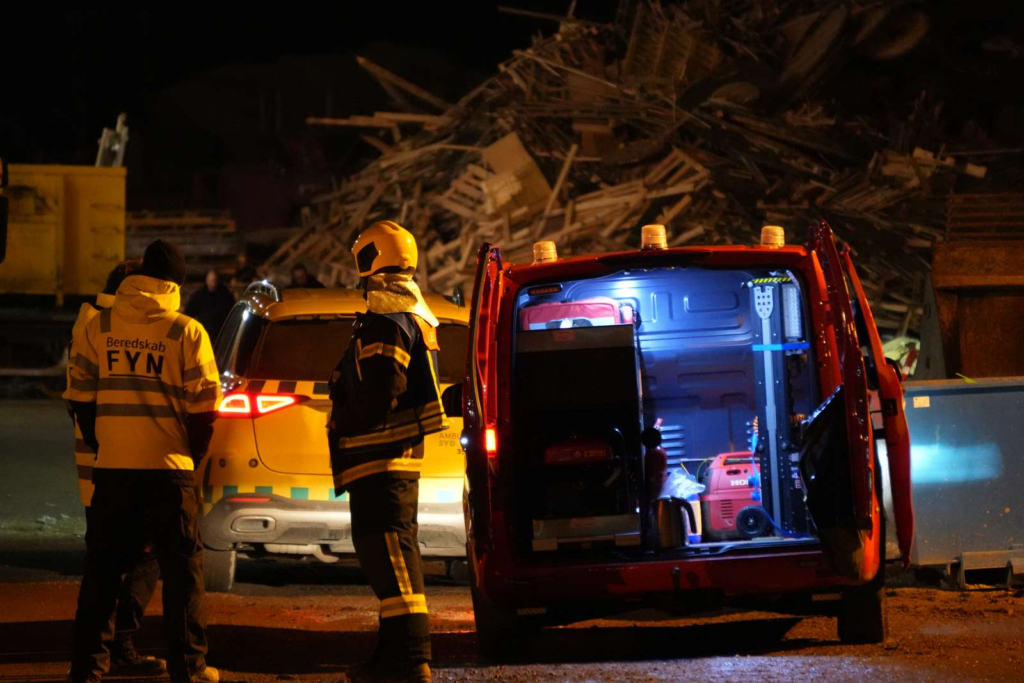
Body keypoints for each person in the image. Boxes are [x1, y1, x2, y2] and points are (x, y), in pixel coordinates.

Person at [66, 239, 222, 683]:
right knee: (182, 573)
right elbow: (205, 410)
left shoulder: (100, 326)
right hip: (169, 471)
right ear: (175, 284)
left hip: (114, 472)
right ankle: (188, 668)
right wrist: (189, 455)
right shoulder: (187, 331)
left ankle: (87, 669)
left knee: (101, 572)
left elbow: (80, 398)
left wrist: (106, 444)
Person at [327, 221, 447, 683]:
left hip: (381, 457)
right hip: (385, 457)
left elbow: (382, 390)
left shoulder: (388, 319)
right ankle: (393, 654)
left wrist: (347, 419)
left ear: (369, 263)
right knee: (386, 556)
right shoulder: (408, 313)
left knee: (391, 557)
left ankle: (411, 657)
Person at [64, 258, 165, 678]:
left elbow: (77, 400)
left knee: (105, 564)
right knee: (143, 556)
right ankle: (120, 645)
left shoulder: (88, 324)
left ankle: (94, 660)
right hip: (129, 465)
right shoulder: (119, 327)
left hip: (98, 468)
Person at [184, 269, 235, 339]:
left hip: (221, 333)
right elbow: (189, 313)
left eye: (214, 281)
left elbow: (232, 312)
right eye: (211, 281)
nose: (213, 284)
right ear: (207, 281)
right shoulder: (199, 295)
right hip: (205, 332)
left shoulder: (226, 295)